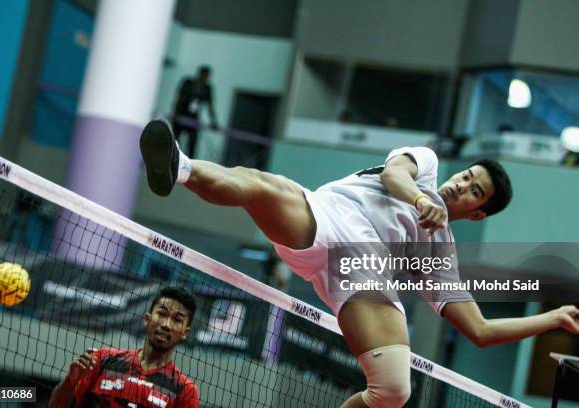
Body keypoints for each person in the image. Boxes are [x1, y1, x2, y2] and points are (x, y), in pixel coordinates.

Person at [139, 119, 579, 408]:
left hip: (364, 271)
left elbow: (479, 330)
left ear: (478, 213)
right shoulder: (425, 168)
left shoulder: (439, 253)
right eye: (467, 176)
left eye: (474, 191)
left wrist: (551, 317)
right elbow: (393, 176)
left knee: (393, 389)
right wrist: (422, 199)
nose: (461, 185)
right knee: (260, 184)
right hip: (323, 218)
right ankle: (181, 167)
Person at [49, 286, 199, 407]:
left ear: (185, 333)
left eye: (177, 320)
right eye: (162, 314)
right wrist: (71, 379)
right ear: (147, 319)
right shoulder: (102, 360)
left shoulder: (185, 390)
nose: (166, 324)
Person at [170, 66, 219, 157]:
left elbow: (210, 106)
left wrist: (214, 122)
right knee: (174, 141)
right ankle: (171, 158)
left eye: (207, 77)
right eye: (204, 76)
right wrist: (175, 113)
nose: (205, 78)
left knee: (193, 143)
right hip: (181, 115)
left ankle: (191, 163)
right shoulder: (188, 83)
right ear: (199, 74)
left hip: (193, 119)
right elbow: (179, 98)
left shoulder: (207, 88)